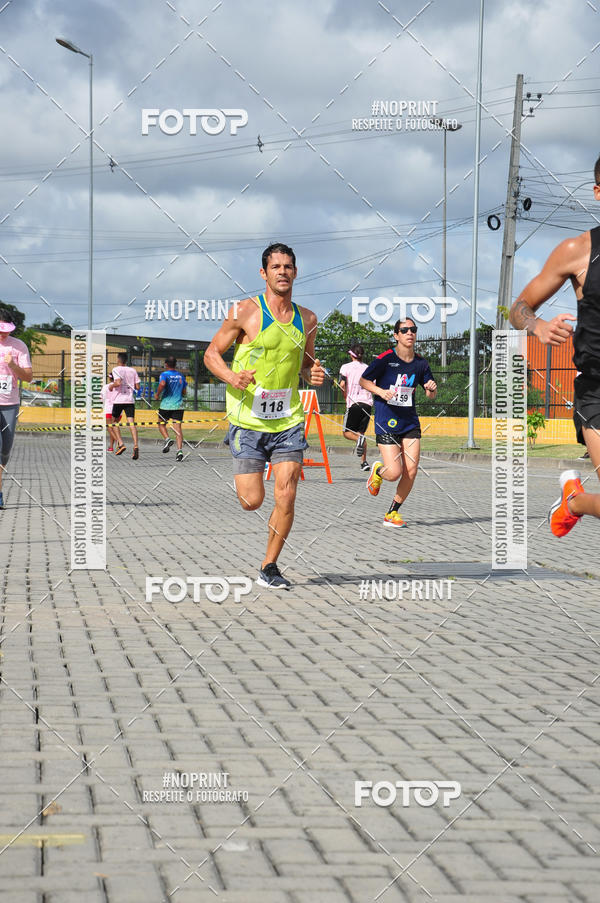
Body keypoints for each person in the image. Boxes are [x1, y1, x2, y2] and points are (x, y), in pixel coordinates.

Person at [204, 242, 325, 589]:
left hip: (287, 420)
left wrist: (311, 374)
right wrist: (231, 376)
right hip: (248, 420)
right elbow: (212, 353)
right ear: (264, 273)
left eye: (288, 266)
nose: (283, 272)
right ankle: (246, 473)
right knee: (251, 501)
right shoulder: (243, 312)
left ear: (295, 272)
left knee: (286, 494)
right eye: (276, 267)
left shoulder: (309, 319)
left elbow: (305, 364)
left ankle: (269, 566)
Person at [509, 154, 600, 537]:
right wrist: (537, 325)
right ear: (598, 192)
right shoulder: (577, 251)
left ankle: (574, 500)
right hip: (597, 388)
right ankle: (574, 501)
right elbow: (519, 307)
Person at [359, 318, 437, 527]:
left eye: (413, 329)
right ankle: (378, 471)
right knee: (394, 472)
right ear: (396, 335)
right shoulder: (386, 359)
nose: (409, 333)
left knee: (411, 470)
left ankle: (392, 513)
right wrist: (381, 392)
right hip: (387, 420)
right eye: (404, 330)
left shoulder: (421, 363)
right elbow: (363, 381)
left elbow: (430, 395)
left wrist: (431, 388)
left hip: (409, 422)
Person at [0, 308, 33, 510]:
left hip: (10, 404)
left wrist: (13, 365)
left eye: (6, 330)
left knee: (5, 450)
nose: (4, 334)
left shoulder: (19, 346)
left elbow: (28, 377)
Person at [339, 344, 373, 472]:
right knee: (361, 433)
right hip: (367, 404)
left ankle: (359, 440)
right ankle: (364, 463)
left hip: (353, 403)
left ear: (351, 355)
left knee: (347, 433)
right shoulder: (368, 368)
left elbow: (342, 385)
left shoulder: (345, 367)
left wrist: (344, 396)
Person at [109, 352, 141, 459]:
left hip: (119, 400)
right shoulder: (133, 370)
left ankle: (121, 444)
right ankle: (136, 445)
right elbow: (137, 387)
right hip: (130, 400)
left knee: (114, 422)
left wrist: (111, 387)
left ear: (118, 360)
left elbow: (117, 383)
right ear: (126, 360)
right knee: (131, 423)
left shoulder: (116, 369)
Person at [155, 356, 187, 462]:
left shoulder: (164, 375)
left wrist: (157, 394)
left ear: (166, 364)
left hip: (166, 405)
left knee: (161, 424)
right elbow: (184, 392)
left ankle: (167, 439)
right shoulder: (181, 376)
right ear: (175, 364)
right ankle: (179, 451)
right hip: (179, 405)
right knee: (178, 429)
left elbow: (162, 384)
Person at [100, 381, 118, 452]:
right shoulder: (119, 386)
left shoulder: (105, 387)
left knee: (109, 428)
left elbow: (101, 399)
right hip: (118, 409)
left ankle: (118, 441)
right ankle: (111, 447)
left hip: (109, 409)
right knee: (113, 428)